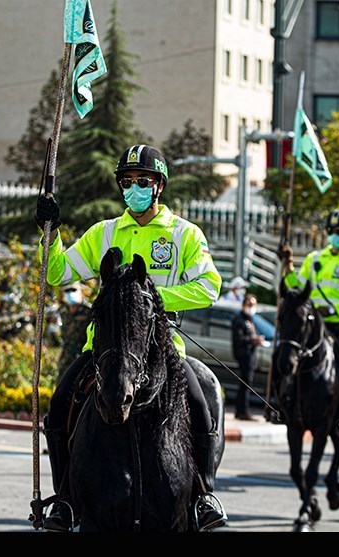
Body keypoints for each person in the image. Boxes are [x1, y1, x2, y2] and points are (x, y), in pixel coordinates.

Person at [34, 144, 227, 532]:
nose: (133, 188)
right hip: (102, 351)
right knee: (58, 406)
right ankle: (65, 501)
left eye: (141, 181)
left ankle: (204, 496)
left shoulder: (184, 234)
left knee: (202, 402)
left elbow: (209, 286)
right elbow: (56, 273)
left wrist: (152, 301)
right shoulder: (103, 233)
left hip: (162, 352)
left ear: (158, 186)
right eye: (127, 182)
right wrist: (49, 233)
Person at [278, 208, 339, 424]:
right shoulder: (314, 258)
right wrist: (287, 265)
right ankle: (280, 398)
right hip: (312, 323)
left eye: (338, 232)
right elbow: (297, 286)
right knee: (284, 349)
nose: (334, 236)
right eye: (331, 231)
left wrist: (333, 309)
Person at [231, 293, 265, 420]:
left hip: (250, 354)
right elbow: (239, 339)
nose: (251, 307)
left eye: (254, 305)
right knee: (245, 384)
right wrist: (253, 340)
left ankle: (241, 410)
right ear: (244, 304)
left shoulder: (249, 318)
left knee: (246, 384)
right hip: (243, 354)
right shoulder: (239, 319)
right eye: (249, 304)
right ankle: (242, 411)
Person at [55, 282, 92, 385]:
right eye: (67, 291)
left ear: (81, 292)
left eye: (74, 290)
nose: (70, 293)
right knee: (60, 390)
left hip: (83, 358)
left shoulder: (89, 311)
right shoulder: (63, 311)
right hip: (66, 357)